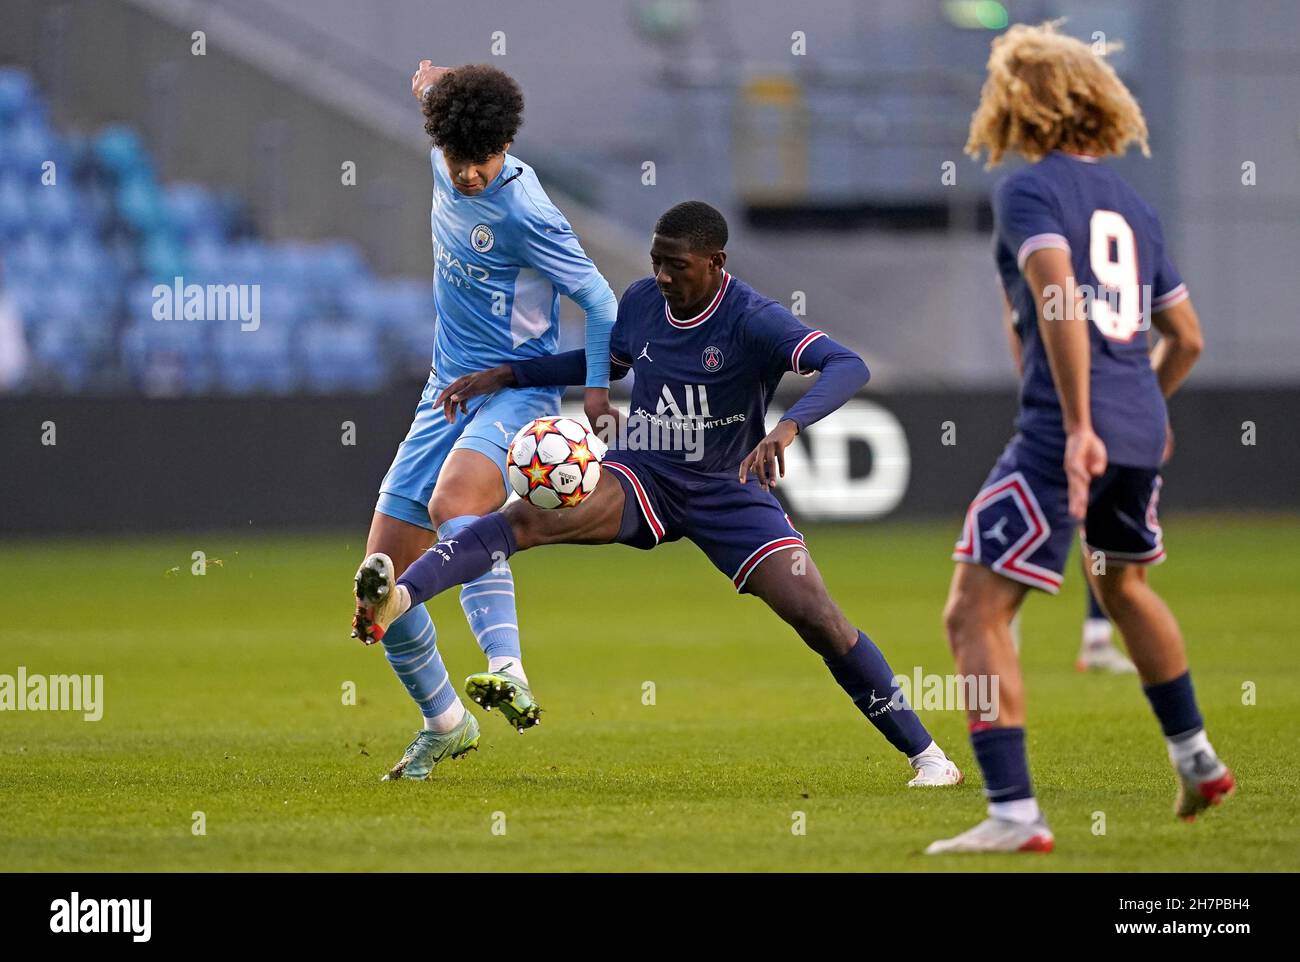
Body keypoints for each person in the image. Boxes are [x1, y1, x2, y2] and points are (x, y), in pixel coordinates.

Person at [354, 200, 963, 788]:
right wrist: (511, 373)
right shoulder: (645, 301)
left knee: (818, 618)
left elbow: (847, 364)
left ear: (716, 262)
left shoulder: (753, 318)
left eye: (677, 265)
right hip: (644, 474)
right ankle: (401, 597)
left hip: (729, 492)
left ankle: (930, 757)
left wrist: (786, 427)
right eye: (656, 262)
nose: (662, 276)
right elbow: (608, 361)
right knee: (526, 517)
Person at [927, 22, 1231, 854]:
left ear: (1018, 101)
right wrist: (1143, 410)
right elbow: (1189, 336)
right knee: (1125, 587)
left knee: (973, 609)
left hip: (1067, 431)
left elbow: (1058, 295)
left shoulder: (1030, 191)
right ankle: (1197, 758)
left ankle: (1012, 814)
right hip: (1135, 431)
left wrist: (1083, 424)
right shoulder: (1135, 206)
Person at [355, 62, 617, 781]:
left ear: (506, 145)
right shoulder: (446, 132)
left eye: (484, 160)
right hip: (445, 390)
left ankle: (509, 669)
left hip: (512, 393)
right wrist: (428, 82)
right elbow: (430, 93)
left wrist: (594, 393)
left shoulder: (529, 212)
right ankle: (445, 723)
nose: (469, 174)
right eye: (457, 159)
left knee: (455, 502)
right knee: (379, 581)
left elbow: (602, 304)